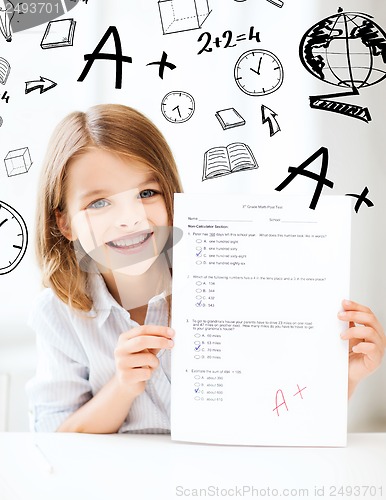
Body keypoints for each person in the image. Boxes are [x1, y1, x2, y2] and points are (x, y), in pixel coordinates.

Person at [27, 104, 386, 434]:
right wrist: (122, 386)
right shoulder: (60, 313)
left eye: (147, 193)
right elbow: (55, 437)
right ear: (65, 223)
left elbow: (281, 414)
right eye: (100, 202)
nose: (130, 219)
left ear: (172, 199)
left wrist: (344, 378)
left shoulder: (227, 279)